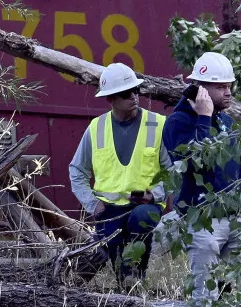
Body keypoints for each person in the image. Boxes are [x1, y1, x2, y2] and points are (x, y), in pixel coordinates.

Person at [69, 62, 172, 286]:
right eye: (126, 93)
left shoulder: (158, 124)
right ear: (110, 99)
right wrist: (92, 204)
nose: (133, 97)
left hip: (145, 205)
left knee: (142, 219)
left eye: (136, 90)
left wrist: (154, 195)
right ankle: (87, 282)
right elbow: (77, 170)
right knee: (105, 250)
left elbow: (172, 170)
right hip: (109, 209)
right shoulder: (96, 128)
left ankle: (134, 275)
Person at [162, 51, 241, 307]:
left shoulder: (225, 120)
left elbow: (234, 167)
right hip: (202, 220)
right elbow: (194, 163)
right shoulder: (178, 123)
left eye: (229, 86)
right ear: (201, 88)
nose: (228, 92)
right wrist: (202, 118)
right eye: (221, 87)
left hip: (236, 215)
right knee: (204, 297)